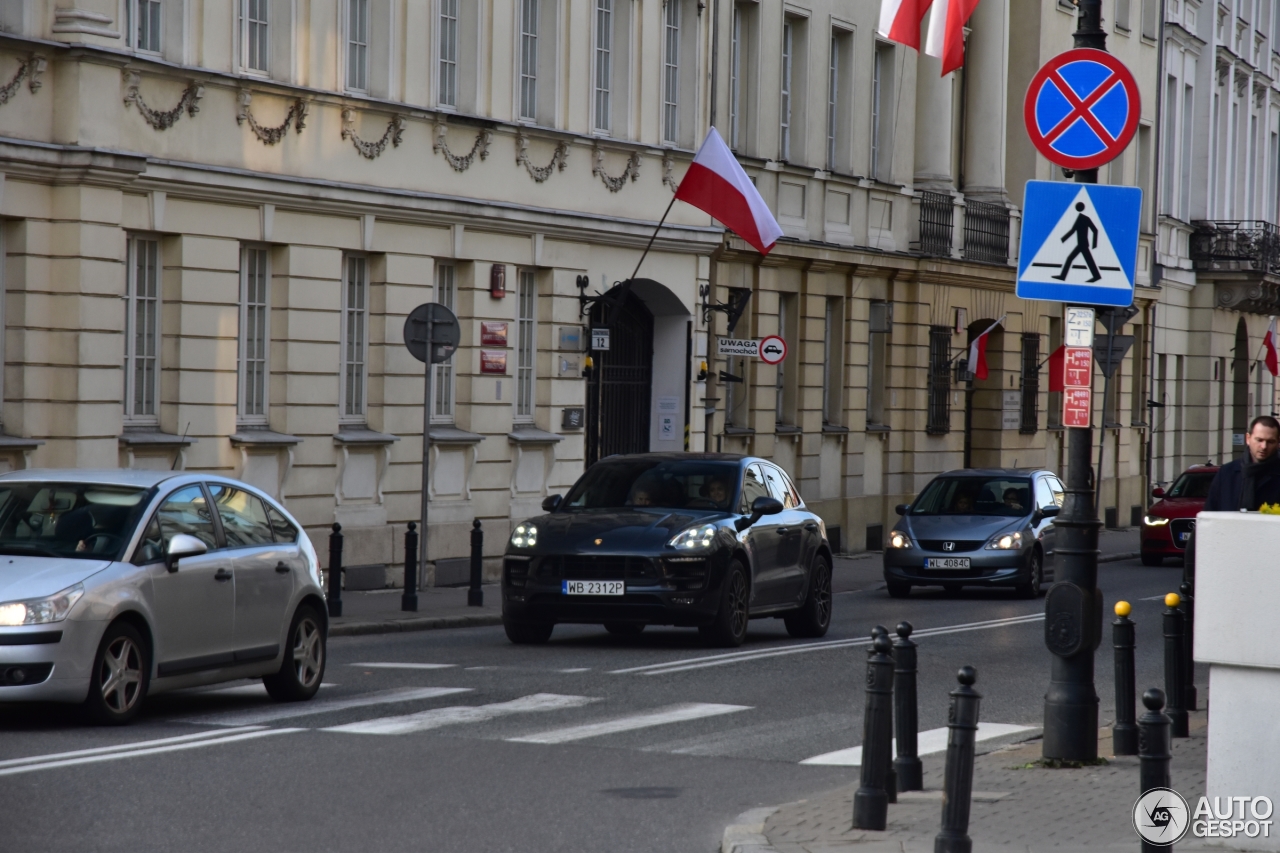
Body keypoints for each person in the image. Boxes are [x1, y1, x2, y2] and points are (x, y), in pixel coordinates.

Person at [1204, 416, 1280, 511]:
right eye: (1259, 440)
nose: (1264, 446)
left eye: (1270, 442)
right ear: (1248, 438)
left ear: (1278, 442)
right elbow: (1211, 512)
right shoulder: (1227, 473)